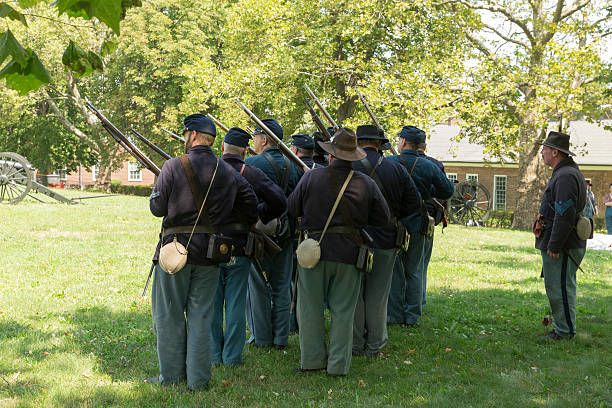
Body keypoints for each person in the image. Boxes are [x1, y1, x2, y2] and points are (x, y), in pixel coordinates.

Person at [148, 114, 258, 389]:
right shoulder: (227, 171)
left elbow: (156, 209)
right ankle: (198, 380)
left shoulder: (173, 166)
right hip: (210, 253)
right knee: (202, 317)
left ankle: (172, 379)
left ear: (193, 136)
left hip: (175, 252)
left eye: (186, 135)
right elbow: (251, 205)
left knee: (170, 315)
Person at [288, 127, 390, 376]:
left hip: (313, 251)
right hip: (349, 252)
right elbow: (383, 218)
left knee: (309, 308)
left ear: (331, 155)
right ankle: (338, 366)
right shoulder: (365, 183)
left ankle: (311, 362)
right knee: (344, 312)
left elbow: (291, 208)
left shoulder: (312, 177)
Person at [211, 127, 287, 366]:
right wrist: (258, 215)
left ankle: (214, 354)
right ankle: (232, 357)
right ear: (245, 151)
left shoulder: (207, 170)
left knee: (213, 303)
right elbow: (280, 201)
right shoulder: (251, 172)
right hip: (241, 243)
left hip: (211, 244)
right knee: (235, 302)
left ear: (222, 147)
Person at [351, 125, 421, 357]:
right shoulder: (396, 168)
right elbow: (414, 204)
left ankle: (356, 343)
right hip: (386, 238)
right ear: (380, 144)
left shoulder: (347, 166)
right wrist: (397, 220)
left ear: (357, 142)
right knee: (379, 296)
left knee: (355, 294)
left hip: (353, 239)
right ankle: (375, 344)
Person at [387, 125, 454, 326]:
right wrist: (428, 190)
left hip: (395, 221)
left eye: (400, 140)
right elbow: (447, 191)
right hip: (419, 221)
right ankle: (412, 315)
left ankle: (394, 315)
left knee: (396, 270)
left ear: (404, 142)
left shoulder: (390, 163)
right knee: (415, 270)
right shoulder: (430, 166)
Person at [244, 119, 302, 349]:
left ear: (265, 139)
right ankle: (281, 337)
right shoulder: (294, 165)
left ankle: (262, 338)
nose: (254, 141)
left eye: (256, 136)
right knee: (281, 285)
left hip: (260, 231)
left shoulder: (252, 163)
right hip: (286, 233)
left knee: (257, 286)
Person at [535, 131, 587, 340]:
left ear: (555, 152)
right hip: (561, 241)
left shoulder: (565, 176)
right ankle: (563, 327)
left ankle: (564, 332)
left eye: (545, 149)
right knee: (559, 286)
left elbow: (564, 214)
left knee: (561, 288)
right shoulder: (564, 172)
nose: (542, 152)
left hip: (564, 244)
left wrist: (554, 245)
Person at [417, 136, 448, 309]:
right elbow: (445, 192)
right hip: (427, 218)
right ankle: (418, 302)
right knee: (421, 264)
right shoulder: (435, 164)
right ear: (425, 146)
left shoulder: (395, 162)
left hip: (404, 218)